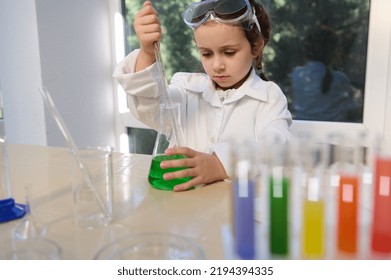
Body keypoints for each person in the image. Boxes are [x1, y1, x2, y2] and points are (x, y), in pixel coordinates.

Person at [114, 0, 292, 191]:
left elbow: (277, 147)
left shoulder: (269, 97)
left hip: (234, 211)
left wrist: (220, 165)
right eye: (207, 54)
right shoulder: (186, 88)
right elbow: (150, 107)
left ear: (256, 47)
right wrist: (148, 52)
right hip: (184, 212)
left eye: (229, 52)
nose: (217, 65)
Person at [290, 25, 362, 122]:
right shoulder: (340, 79)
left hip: (300, 132)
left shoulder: (297, 75)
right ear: (333, 52)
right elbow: (353, 107)